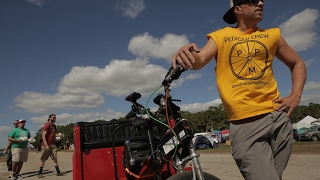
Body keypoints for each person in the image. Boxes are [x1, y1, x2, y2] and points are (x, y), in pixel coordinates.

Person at [172, 0, 307, 179]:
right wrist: (187, 54)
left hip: (279, 118)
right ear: (237, 9)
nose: (261, 3)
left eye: (261, 0)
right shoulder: (221, 36)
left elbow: (297, 63)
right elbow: (200, 59)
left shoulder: (273, 35)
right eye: (252, 1)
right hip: (245, 122)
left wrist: (295, 96)